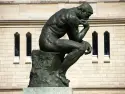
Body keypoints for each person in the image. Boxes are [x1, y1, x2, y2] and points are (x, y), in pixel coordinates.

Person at [39, 2, 93, 84]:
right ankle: (60, 73)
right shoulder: (72, 17)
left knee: (82, 46)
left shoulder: (67, 12)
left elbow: (74, 39)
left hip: (48, 40)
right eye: (87, 15)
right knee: (80, 48)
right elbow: (76, 38)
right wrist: (86, 28)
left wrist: (85, 43)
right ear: (82, 11)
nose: (87, 18)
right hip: (48, 41)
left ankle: (59, 72)